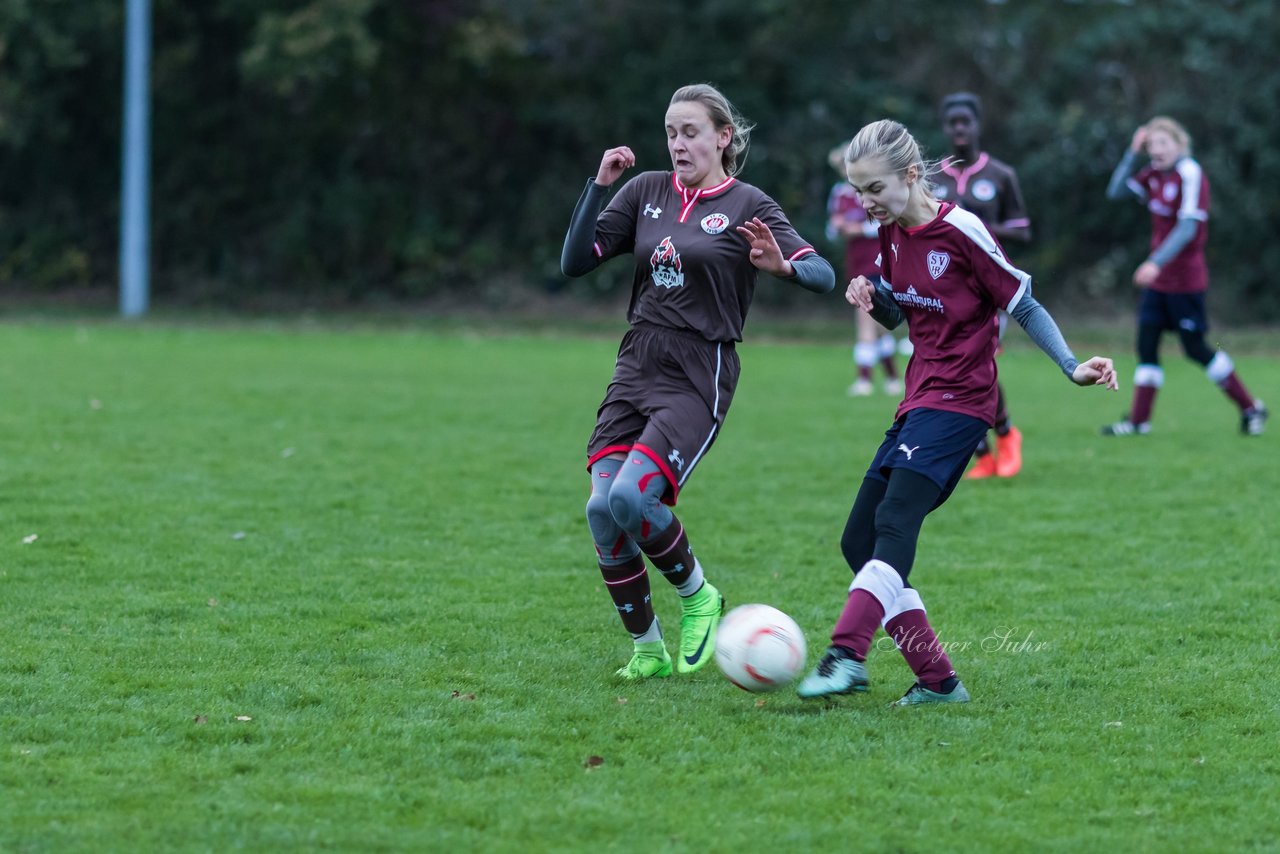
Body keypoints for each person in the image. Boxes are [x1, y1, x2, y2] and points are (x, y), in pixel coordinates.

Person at [796, 120, 1117, 706]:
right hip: (919, 398)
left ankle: (846, 653)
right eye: (857, 192)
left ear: (912, 176)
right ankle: (939, 681)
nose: (865, 204)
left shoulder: (962, 229)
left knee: (893, 522)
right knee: (857, 540)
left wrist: (1072, 366)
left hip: (964, 403)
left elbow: (1023, 302)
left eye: (873, 190)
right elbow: (908, 315)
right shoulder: (890, 235)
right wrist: (874, 294)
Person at [560, 84, 836, 680]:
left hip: (697, 369)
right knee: (602, 511)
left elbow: (823, 272)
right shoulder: (645, 191)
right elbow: (575, 261)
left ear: (722, 137)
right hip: (636, 359)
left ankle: (698, 595)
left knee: (633, 497)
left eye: (690, 132)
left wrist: (781, 265)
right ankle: (648, 650)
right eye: (670, 133)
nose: (678, 144)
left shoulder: (748, 204)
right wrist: (600, 185)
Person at [1102, 116, 1267, 437]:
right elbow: (1115, 192)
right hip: (1159, 283)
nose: (1157, 151)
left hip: (1185, 281)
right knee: (1146, 346)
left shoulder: (1190, 173)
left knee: (1195, 348)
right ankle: (1138, 422)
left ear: (1180, 144)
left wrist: (1155, 262)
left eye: (1163, 144)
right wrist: (1132, 153)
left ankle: (1251, 408)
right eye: (1152, 145)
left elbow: (1188, 227)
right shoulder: (1152, 174)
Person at [933, 92, 1032, 479]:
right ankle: (983, 454)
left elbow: (1024, 230)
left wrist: (972, 225)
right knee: (951, 368)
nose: (959, 129)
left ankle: (1006, 437)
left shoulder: (1000, 175)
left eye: (966, 122)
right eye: (952, 122)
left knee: (978, 364)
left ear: (977, 126)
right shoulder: (930, 176)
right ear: (945, 127)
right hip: (940, 288)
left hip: (990, 289)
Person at [828, 142, 902, 397]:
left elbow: (883, 223)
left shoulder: (872, 190)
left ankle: (864, 380)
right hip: (856, 262)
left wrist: (856, 228)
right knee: (878, 324)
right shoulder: (839, 193)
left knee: (866, 319)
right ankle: (893, 378)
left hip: (877, 261)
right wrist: (839, 226)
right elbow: (833, 228)